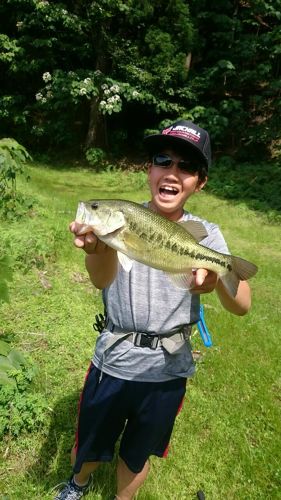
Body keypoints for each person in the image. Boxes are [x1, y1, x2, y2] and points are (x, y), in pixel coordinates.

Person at [55, 120, 252, 500]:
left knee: (138, 449)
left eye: (187, 167)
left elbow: (241, 305)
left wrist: (219, 277)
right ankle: (78, 484)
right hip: (115, 359)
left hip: (168, 368)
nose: (172, 172)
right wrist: (98, 249)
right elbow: (102, 278)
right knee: (94, 433)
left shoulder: (205, 234)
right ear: (149, 169)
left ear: (200, 182)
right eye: (163, 160)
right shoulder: (123, 221)